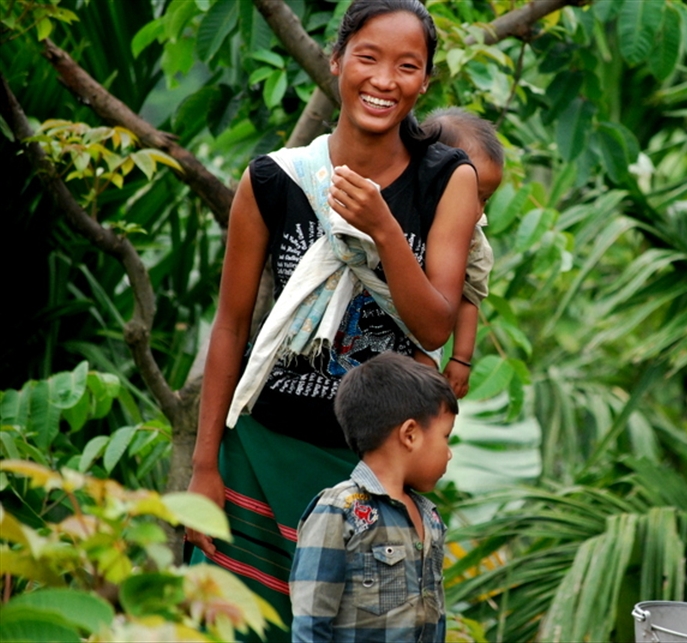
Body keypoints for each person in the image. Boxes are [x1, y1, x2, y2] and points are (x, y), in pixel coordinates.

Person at [184, 0, 477, 638]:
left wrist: (384, 231)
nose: (383, 80)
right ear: (337, 60)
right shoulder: (274, 180)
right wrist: (204, 468)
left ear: (425, 81)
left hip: (371, 470)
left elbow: (434, 327)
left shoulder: (446, 180)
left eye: (407, 66)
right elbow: (231, 328)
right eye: (367, 58)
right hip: (261, 455)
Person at [289, 351, 457, 642]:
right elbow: (311, 622)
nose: (449, 452)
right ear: (410, 435)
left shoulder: (430, 516)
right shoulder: (339, 510)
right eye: (445, 437)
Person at [418, 108, 504, 398]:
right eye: (471, 191)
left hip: (424, 340)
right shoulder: (402, 208)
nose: (478, 209)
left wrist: (461, 358)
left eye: (486, 198)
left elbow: (470, 298)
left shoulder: (473, 240)